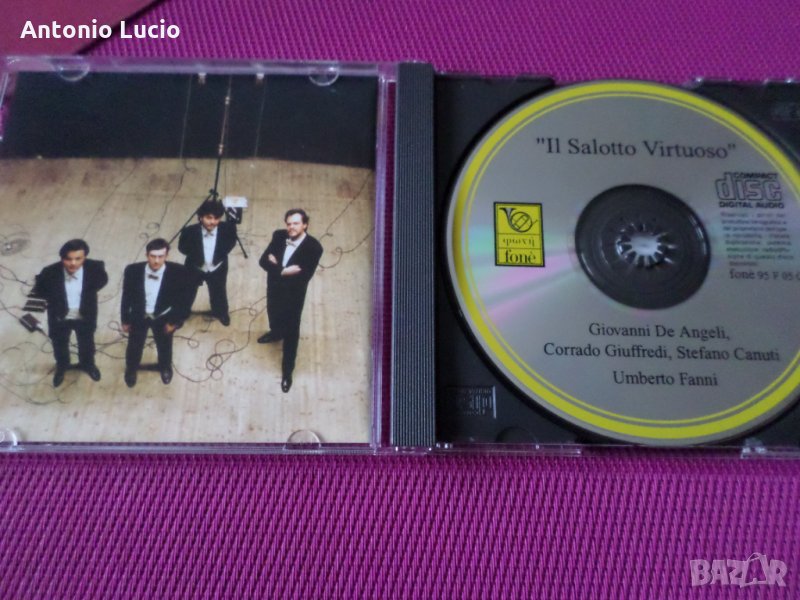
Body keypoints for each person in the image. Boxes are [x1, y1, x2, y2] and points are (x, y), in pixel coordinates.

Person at [258, 209, 323, 393]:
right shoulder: (279, 236)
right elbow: (262, 261)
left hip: (294, 295)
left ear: (305, 225)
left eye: (295, 223)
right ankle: (275, 333)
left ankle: (287, 371)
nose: (291, 227)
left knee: (292, 331)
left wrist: (275, 265)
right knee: (273, 313)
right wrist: (283, 271)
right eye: (288, 223)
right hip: (274, 287)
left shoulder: (314, 248)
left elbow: (303, 277)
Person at [32, 239, 109, 387]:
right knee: (59, 344)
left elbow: (102, 281)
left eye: (78, 259)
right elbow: (40, 290)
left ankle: (88, 364)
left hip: (85, 315)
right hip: (59, 316)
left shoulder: (96, 268)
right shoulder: (49, 272)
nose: (73, 263)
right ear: (62, 258)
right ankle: (62, 366)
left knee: (87, 343)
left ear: (85, 257)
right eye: (68, 259)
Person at [120, 238, 193, 387]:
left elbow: (183, 301)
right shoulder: (132, 271)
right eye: (153, 256)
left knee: (165, 345)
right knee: (134, 345)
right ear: (147, 255)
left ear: (167, 256)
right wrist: (125, 320)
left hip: (163, 317)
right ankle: (131, 369)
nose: (156, 261)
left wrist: (174, 322)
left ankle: (165, 367)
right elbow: (126, 297)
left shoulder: (179, 272)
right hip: (139, 315)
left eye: (161, 256)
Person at [178, 200, 238, 326]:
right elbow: (182, 248)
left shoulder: (228, 229)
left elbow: (231, 243)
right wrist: (196, 256)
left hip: (217, 267)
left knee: (219, 291)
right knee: (187, 291)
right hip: (195, 266)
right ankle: (181, 314)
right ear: (200, 217)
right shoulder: (189, 231)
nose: (213, 222)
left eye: (216, 218)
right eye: (209, 218)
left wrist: (219, 256)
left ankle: (221, 312)